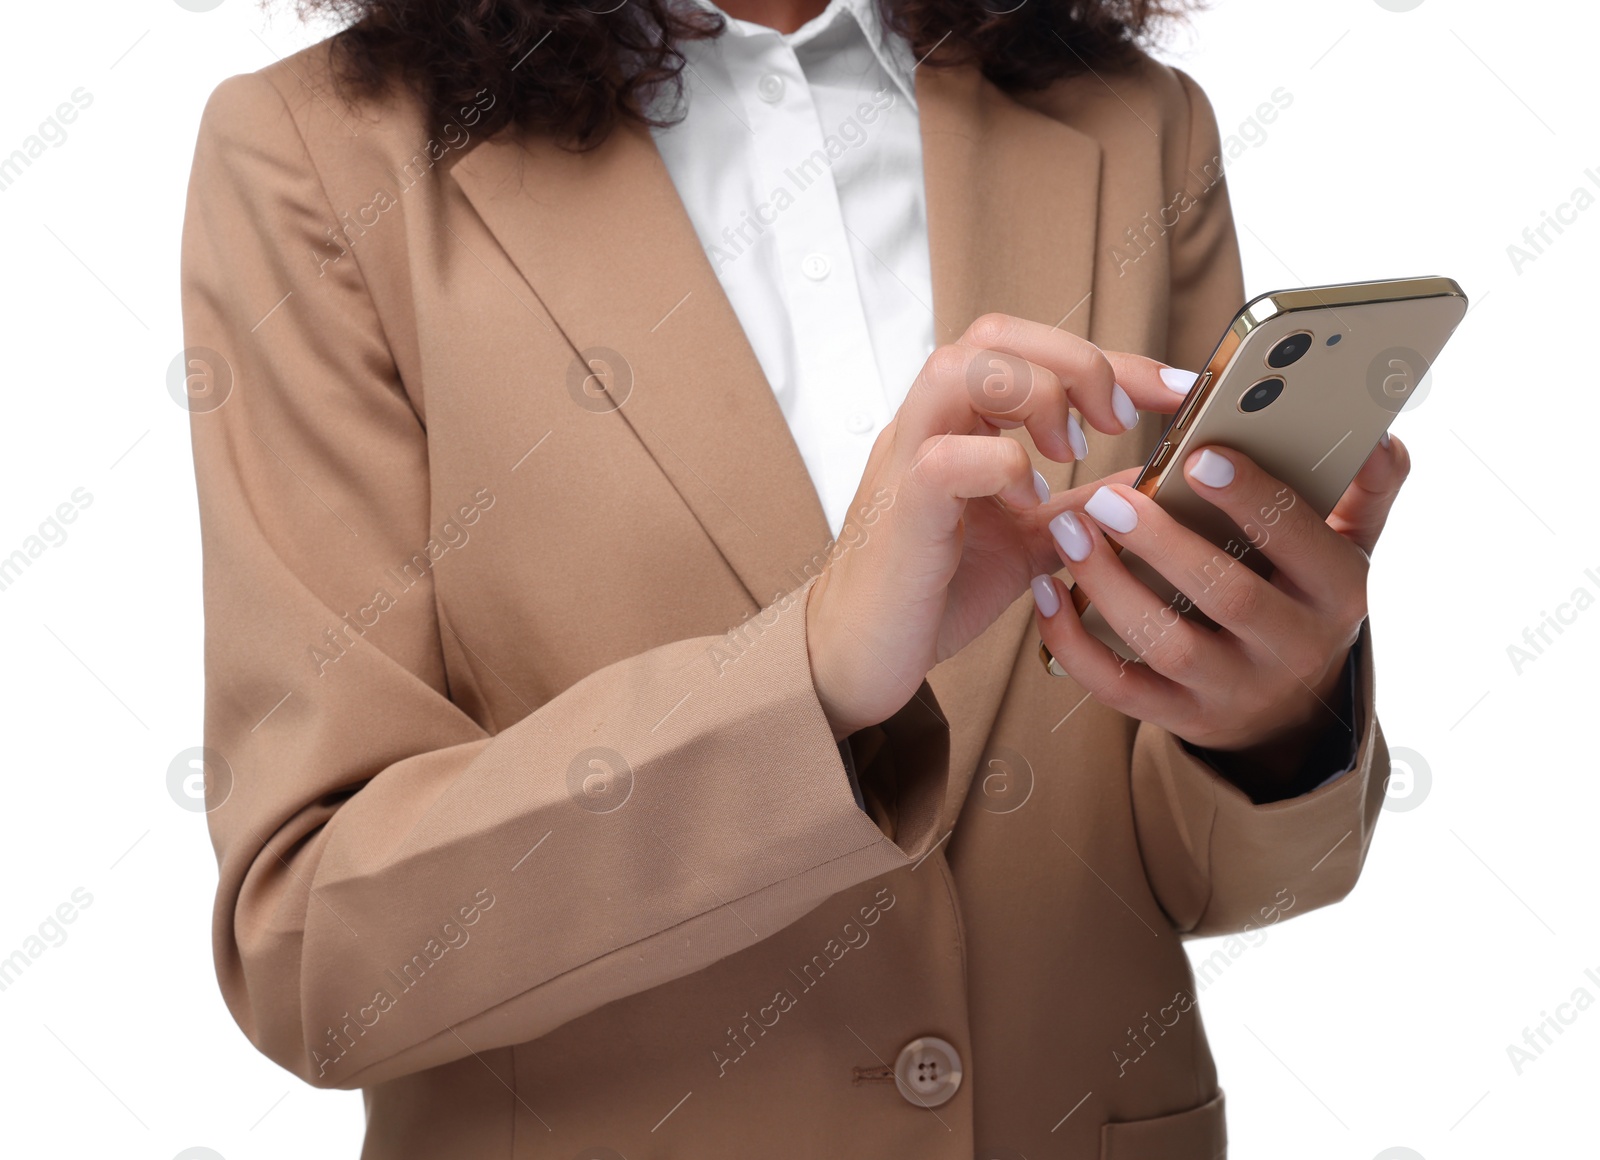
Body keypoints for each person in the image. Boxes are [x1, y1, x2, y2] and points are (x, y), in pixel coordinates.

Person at [179, 0, 1403, 1155]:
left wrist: (1274, 719)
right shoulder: (317, 155)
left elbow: (1194, 874)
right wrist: (808, 676)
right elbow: (315, 956)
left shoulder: (1133, 120)